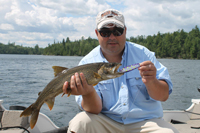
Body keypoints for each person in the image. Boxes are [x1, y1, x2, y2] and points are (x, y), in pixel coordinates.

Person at [63, 9, 179, 133]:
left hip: (146, 123)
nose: (112, 37)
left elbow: (163, 96)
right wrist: (88, 93)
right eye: (105, 32)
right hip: (105, 122)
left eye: (117, 31)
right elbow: (94, 110)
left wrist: (152, 81)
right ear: (97, 33)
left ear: (125, 31)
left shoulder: (144, 54)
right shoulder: (86, 63)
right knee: (80, 122)